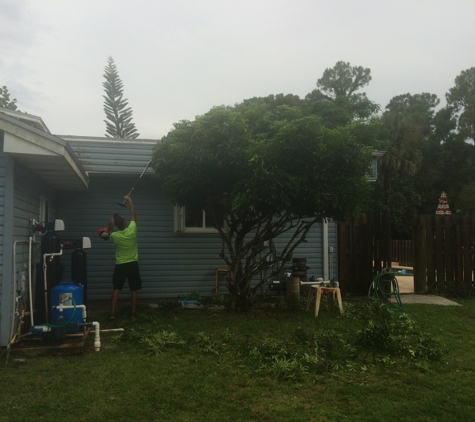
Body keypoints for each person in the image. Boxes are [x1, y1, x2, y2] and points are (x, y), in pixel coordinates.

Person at [107, 195, 142, 320]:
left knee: (116, 288)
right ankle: (133, 314)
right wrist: (130, 202)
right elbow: (134, 215)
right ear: (125, 223)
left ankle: (112, 313)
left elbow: (109, 232)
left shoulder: (115, 236)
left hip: (120, 265)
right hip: (132, 264)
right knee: (133, 289)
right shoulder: (132, 230)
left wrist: (111, 223)